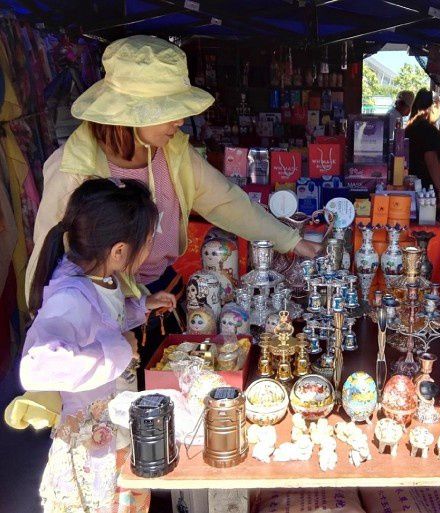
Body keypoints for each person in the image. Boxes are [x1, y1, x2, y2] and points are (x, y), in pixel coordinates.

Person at [26, 35, 320, 316]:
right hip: (103, 308)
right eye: (168, 110)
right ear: (131, 112)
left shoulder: (173, 151)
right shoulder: (73, 168)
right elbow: (48, 258)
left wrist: (291, 241)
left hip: (162, 293)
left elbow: (226, 201)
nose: (180, 120)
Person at [20, 178, 177, 513]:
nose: (151, 247)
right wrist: (121, 350)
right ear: (119, 251)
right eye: (148, 241)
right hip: (89, 441)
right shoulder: (69, 298)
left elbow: (103, 321)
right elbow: (38, 366)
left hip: (113, 422)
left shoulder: (98, 275)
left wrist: (140, 308)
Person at [405, 89, 440, 208]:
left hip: (411, 185)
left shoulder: (410, 127)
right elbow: (431, 161)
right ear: (433, 107)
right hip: (427, 191)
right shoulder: (429, 131)